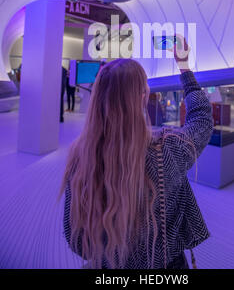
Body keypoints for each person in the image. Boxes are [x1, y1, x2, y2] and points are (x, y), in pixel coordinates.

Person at [58, 35, 213, 269]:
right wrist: (184, 67)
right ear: (141, 98)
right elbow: (202, 120)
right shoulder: (166, 149)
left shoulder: (79, 156)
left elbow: (78, 243)